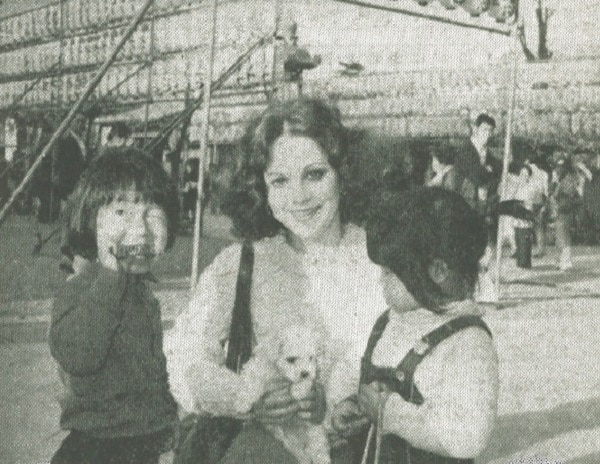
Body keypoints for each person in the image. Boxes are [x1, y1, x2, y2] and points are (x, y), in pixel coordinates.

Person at [164, 98, 390, 463]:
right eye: (280, 180)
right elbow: (183, 357)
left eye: (314, 174)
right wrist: (246, 399)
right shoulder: (242, 263)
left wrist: (357, 405)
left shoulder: (384, 260)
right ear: (261, 190)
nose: (298, 196)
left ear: (344, 174)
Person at [331, 187, 499, 464]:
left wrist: (390, 413)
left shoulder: (467, 342)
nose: (380, 281)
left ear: (438, 272)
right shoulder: (390, 322)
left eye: (389, 273)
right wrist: (355, 405)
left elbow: (468, 436)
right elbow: (367, 380)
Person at [49, 148, 180, 464]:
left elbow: (152, 369)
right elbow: (77, 355)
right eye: (122, 212)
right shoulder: (80, 288)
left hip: (140, 446)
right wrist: (109, 274)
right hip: (95, 448)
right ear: (90, 222)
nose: (140, 228)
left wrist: (167, 418)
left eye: (152, 213)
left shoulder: (144, 296)